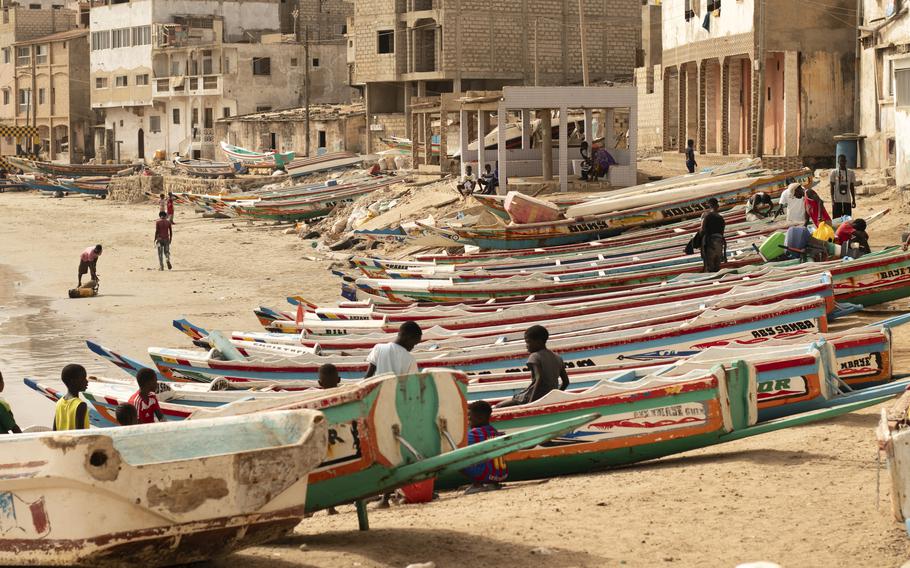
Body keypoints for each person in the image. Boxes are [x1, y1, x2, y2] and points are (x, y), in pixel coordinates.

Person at [495, 325, 569, 409]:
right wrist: (555, 395)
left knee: (498, 406)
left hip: (531, 396)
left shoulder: (535, 356)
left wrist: (531, 403)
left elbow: (539, 378)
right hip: (548, 396)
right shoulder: (557, 357)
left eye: (528, 342)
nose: (526, 345)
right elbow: (566, 382)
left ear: (539, 342)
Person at [462, 400, 508, 494]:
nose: (468, 420)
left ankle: (477, 484)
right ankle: (493, 484)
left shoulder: (474, 433)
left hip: (487, 475)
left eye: (470, 417)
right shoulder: (494, 431)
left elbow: (460, 450)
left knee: (458, 459)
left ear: (479, 418)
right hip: (502, 475)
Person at [54, 364, 89, 431]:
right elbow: (80, 435)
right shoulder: (80, 405)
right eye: (83, 378)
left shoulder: (59, 403)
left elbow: (54, 431)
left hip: (61, 441)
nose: (87, 381)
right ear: (73, 381)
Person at [699, 198, 726, 272]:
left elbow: (702, 230)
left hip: (710, 243)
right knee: (717, 268)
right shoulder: (721, 218)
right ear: (717, 206)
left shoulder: (706, 215)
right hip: (720, 244)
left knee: (709, 268)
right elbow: (722, 233)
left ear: (710, 205)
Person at [829, 154, 856, 219]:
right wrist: (832, 200)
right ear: (838, 162)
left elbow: (852, 187)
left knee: (847, 220)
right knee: (836, 220)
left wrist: (854, 200)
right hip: (837, 200)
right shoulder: (834, 172)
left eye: (843, 161)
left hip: (847, 200)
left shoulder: (851, 172)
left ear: (846, 161)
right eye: (841, 161)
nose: (842, 163)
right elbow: (832, 187)